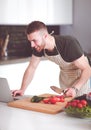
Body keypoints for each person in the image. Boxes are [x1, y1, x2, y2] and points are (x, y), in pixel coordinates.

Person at [12, 21, 91, 98]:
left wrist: (75, 88)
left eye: (34, 40)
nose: (32, 45)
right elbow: (32, 67)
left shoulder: (68, 43)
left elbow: (87, 69)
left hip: (81, 76)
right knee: (66, 107)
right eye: (30, 41)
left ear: (45, 36)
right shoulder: (39, 47)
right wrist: (22, 89)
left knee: (81, 106)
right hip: (65, 76)